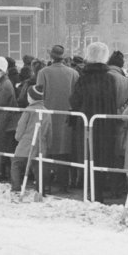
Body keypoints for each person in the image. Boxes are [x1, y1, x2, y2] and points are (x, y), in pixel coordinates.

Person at [70, 42, 121, 203]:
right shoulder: (110, 79)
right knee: (102, 158)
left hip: (85, 125)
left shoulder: (83, 79)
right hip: (106, 125)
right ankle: (99, 193)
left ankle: (89, 191)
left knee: (86, 157)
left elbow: (74, 100)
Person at [34, 45, 78, 191]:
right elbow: (75, 97)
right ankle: (64, 185)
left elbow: (39, 95)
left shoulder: (43, 72)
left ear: (51, 57)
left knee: (46, 151)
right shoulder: (73, 73)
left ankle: (44, 185)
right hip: (66, 118)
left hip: (47, 117)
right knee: (64, 152)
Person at [11, 84, 51, 197]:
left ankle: (16, 187)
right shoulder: (46, 111)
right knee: (38, 168)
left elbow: (21, 125)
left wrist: (18, 137)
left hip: (25, 144)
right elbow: (49, 130)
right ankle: (40, 189)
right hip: (40, 144)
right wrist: (48, 144)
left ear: (31, 97)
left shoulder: (28, 110)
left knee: (16, 164)